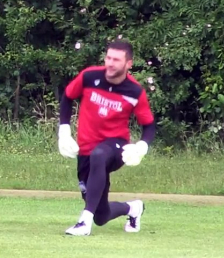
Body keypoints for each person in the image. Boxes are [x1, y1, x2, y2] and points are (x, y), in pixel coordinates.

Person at [57, 40, 155, 236]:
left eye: (117, 60)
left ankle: (83, 223)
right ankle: (133, 208)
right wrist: (64, 130)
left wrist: (142, 147)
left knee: (99, 155)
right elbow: (67, 97)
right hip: (85, 150)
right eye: (108, 57)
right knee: (101, 215)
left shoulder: (134, 91)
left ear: (129, 64)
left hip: (115, 147)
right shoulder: (89, 76)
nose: (110, 63)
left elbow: (149, 125)